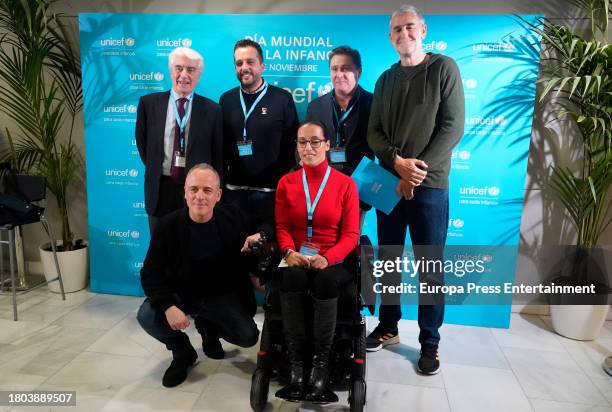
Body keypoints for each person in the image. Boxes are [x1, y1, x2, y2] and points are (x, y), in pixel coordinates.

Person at [366, 4, 465, 376]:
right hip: (390, 183)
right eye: (396, 30)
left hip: (430, 186)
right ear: (390, 37)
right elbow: (374, 133)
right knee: (389, 259)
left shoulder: (443, 68)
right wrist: (397, 165)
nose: (403, 34)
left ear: (422, 29)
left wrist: (415, 172)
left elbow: (452, 127)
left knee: (429, 266)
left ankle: (430, 342)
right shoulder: (385, 79)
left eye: (409, 27)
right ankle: (389, 326)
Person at [136, 164, 259, 388]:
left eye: (207, 190)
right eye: (194, 189)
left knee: (248, 337)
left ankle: (208, 328)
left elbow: (265, 228)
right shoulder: (168, 225)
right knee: (146, 316)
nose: (199, 196)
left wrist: (258, 257)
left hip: (219, 294)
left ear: (218, 195)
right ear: (185, 192)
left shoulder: (233, 217)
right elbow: (149, 274)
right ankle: (183, 353)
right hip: (182, 294)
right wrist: (168, 307)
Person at [274, 121, 360, 403]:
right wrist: (288, 251)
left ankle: (320, 369)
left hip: (332, 259)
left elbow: (351, 234)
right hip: (297, 255)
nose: (307, 148)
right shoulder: (286, 182)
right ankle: (297, 368)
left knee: (324, 281)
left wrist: (328, 257)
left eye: (314, 141)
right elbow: (282, 225)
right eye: (302, 142)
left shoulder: (345, 184)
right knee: (292, 278)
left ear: (327, 145)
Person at [219, 39, 299, 253]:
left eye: (250, 62)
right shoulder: (226, 100)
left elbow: (293, 143)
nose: (244, 67)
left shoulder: (282, 98)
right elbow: (221, 145)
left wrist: (283, 181)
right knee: (235, 252)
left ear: (262, 66)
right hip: (234, 193)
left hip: (270, 193)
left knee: (267, 254)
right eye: (239, 63)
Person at [136, 46, 223, 234]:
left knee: (194, 248)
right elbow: (144, 148)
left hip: (196, 193)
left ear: (199, 75)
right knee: (160, 250)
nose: (184, 75)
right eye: (179, 68)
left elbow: (217, 158)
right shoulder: (148, 104)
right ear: (170, 70)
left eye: (190, 70)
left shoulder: (212, 110)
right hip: (160, 189)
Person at [306, 45, 374, 223]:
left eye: (345, 69)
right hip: (323, 188)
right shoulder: (316, 106)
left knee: (352, 244)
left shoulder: (374, 104)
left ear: (358, 72)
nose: (339, 74)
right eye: (334, 69)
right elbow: (305, 146)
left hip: (359, 190)